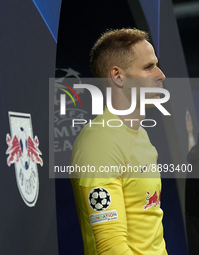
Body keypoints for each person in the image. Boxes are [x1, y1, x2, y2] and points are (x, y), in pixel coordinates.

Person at [70, 28, 167, 255]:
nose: (160, 74)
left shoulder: (139, 133)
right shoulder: (99, 142)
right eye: (148, 67)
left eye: (156, 64)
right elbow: (111, 249)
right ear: (117, 76)